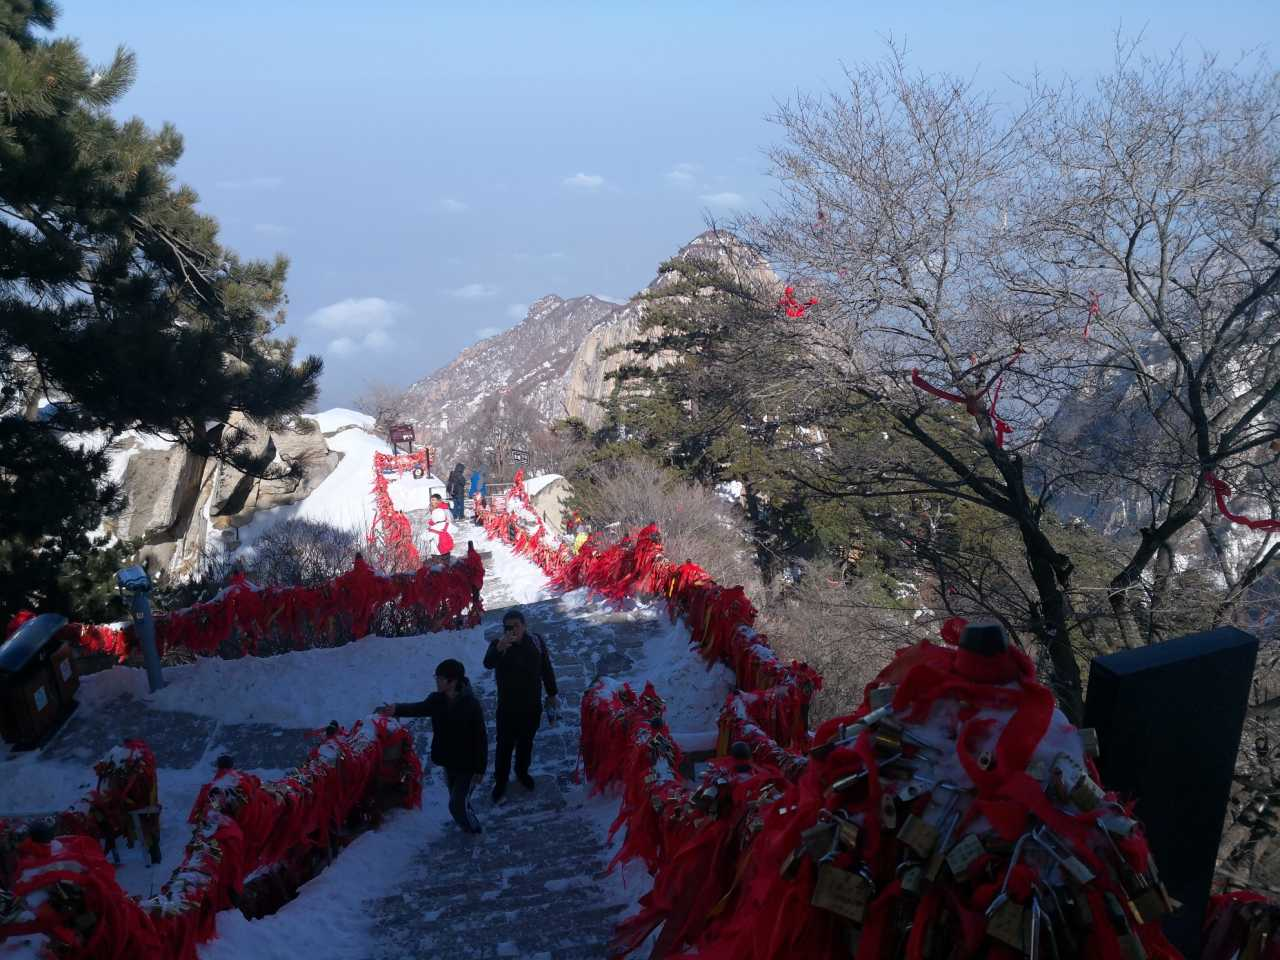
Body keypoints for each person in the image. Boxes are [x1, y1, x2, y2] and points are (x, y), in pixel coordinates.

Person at [377, 659, 486, 834]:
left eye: (440, 678)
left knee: (456, 805)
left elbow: (481, 737)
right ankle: (467, 820)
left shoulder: (470, 704)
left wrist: (480, 769)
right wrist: (396, 709)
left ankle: (473, 830)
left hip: (468, 764)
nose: (437, 681)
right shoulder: (437, 700)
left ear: (452, 681)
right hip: (449, 761)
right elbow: (418, 708)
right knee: (458, 800)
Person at [483, 609, 558, 803]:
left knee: (526, 743)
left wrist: (552, 694)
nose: (513, 630)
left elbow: (546, 668)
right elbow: (488, 663)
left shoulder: (536, 641)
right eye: (509, 627)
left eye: (516, 625)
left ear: (524, 625)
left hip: (532, 706)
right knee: (504, 747)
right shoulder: (498, 645)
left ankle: (522, 772)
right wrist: (500, 647)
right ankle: (500, 781)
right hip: (507, 708)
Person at [426, 493, 454, 557]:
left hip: (441, 533)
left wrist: (437, 525)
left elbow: (449, 520)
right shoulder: (433, 508)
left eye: (433, 500)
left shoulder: (444, 509)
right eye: (431, 500)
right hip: (435, 532)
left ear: (439, 500)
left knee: (441, 551)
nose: (432, 502)